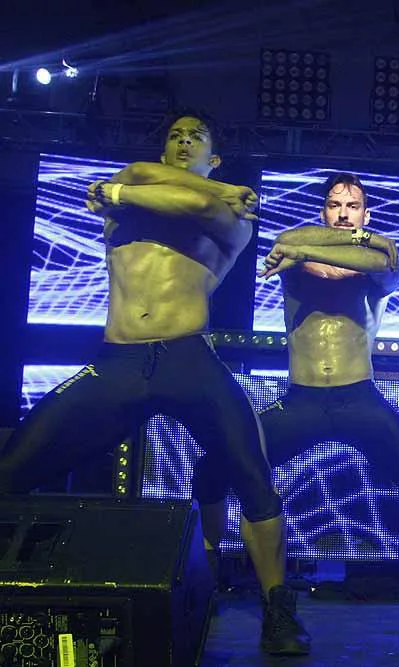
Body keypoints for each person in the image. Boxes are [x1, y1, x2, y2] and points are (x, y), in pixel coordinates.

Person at [0, 112, 310, 655]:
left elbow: (196, 207)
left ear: (215, 159)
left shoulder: (232, 213)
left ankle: (277, 609)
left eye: (197, 137)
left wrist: (127, 193)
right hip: (117, 361)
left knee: (254, 477)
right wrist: (135, 186)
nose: (184, 141)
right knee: (13, 468)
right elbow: (140, 173)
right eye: (175, 135)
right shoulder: (143, 183)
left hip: (187, 357)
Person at [190, 173, 399, 618]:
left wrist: (321, 249)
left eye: (352, 206)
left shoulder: (374, 258)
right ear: (323, 213)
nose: (343, 213)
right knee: (212, 469)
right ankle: (208, 578)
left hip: (359, 398)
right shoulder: (296, 248)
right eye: (335, 205)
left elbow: (375, 265)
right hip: (302, 400)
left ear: (365, 215)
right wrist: (312, 249)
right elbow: (292, 245)